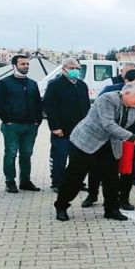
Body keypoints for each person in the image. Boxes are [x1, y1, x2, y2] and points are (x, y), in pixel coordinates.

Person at [54, 81, 135, 222]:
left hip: (111, 144)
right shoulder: (107, 99)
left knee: (112, 179)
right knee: (75, 177)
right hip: (86, 142)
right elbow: (109, 124)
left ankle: (111, 210)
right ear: (126, 93)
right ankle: (61, 206)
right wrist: (133, 138)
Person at [82, 69, 135, 211]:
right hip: (106, 137)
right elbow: (103, 116)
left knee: (128, 170)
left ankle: (124, 199)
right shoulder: (109, 93)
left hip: (132, 138)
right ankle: (92, 195)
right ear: (127, 82)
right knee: (96, 168)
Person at [0, 55, 43, 193]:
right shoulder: (4, 83)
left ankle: (25, 181)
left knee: (26, 154)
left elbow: (38, 104)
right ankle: (10, 181)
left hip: (30, 126)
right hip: (12, 126)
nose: (26, 66)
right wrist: (7, 120)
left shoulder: (32, 83)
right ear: (14, 65)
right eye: (23, 64)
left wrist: (37, 121)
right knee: (11, 154)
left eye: (27, 64)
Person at [43, 58, 91, 192]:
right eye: (72, 68)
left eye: (77, 68)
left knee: (77, 158)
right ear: (64, 69)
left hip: (80, 129)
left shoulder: (81, 85)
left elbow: (86, 106)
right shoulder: (55, 84)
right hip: (62, 129)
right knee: (59, 156)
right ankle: (58, 182)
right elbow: (50, 107)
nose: (75, 71)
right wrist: (55, 127)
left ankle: (75, 181)